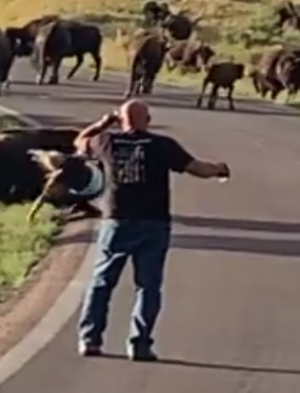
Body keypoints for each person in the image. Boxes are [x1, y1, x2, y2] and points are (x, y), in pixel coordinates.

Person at [74, 99, 230, 361]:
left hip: (117, 220)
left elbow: (80, 141)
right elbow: (198, 169)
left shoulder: (106, 142)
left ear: (122, 121)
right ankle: (140, 344)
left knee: (102, 283)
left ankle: (90, 340)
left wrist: (104, 122)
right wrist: (219, 168)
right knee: (148, 286)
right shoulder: (162, 145)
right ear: (149, 119)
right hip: (154, 222)